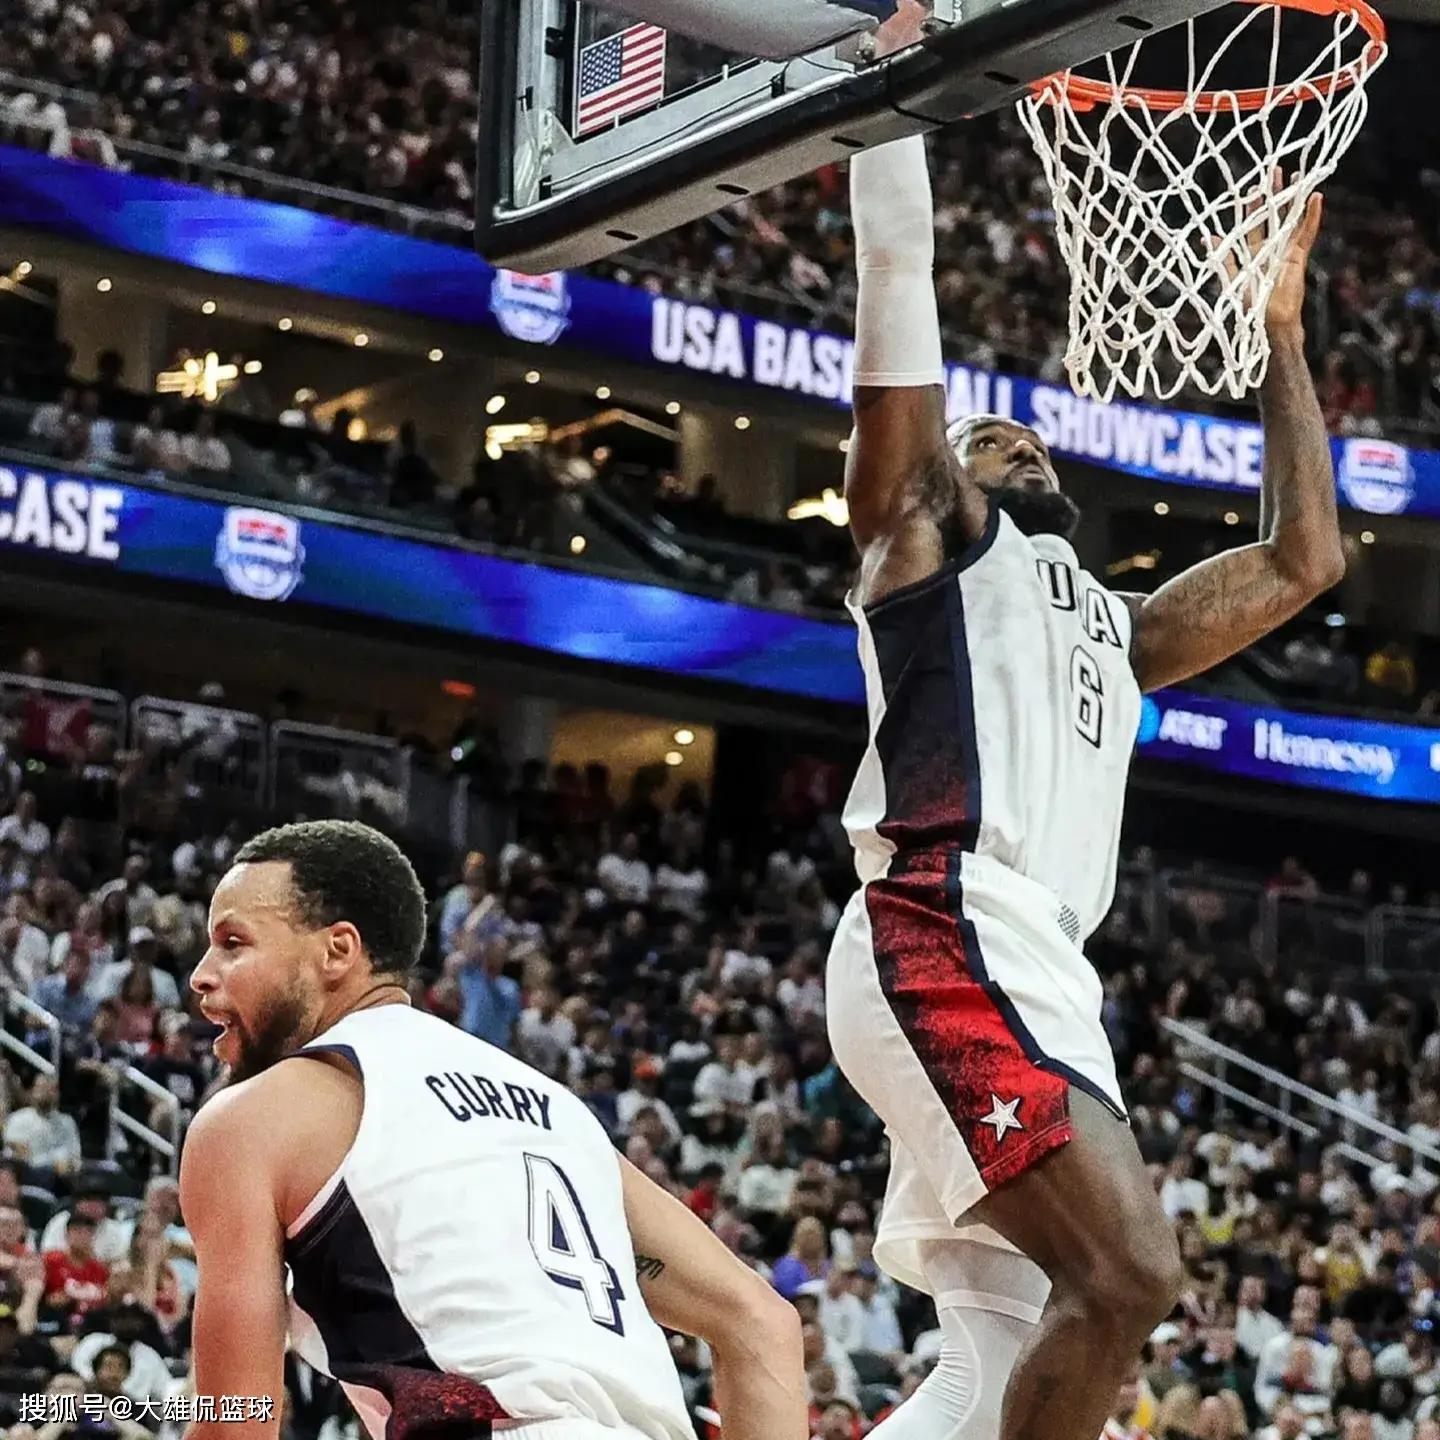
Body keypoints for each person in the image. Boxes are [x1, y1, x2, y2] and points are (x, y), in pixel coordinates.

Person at [823, 6, 1345, 1440]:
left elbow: (1307, 560)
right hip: (944, 924)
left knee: (993, 1365)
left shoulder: (1117, 624)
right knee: (1129, 1278)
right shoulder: (929, 541)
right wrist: (888, 109)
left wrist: (1279, 336)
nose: (1021, 438)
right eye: (989, 435)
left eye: (1031, 434)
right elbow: (897, 279)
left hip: (1039, 962)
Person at [182, 818, 804, 1440]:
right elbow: (761, 1322)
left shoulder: (252, 1118)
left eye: (233, 943)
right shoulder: (558, 1113)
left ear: (338, 951)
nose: (202, 974)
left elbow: (235, 1423)